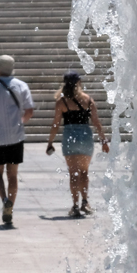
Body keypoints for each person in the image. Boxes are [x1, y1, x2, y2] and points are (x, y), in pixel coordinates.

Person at [0, 54, 35, 225]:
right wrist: (20, 122)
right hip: (16, 137)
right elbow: (30, 110)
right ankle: (11, 203)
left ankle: (4, 200)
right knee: (13, 175)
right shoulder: (21, 86)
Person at [44, 72, 110, 217]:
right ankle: (85, 203)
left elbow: (56, 124)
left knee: (73, 173)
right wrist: (104, 140)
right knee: (84, 173)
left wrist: (50, 142)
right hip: (85, 137)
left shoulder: (61, 102)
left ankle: (74, 206)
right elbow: (96, 122)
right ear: (79, 82)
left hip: (70, 137)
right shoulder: (88, 100)